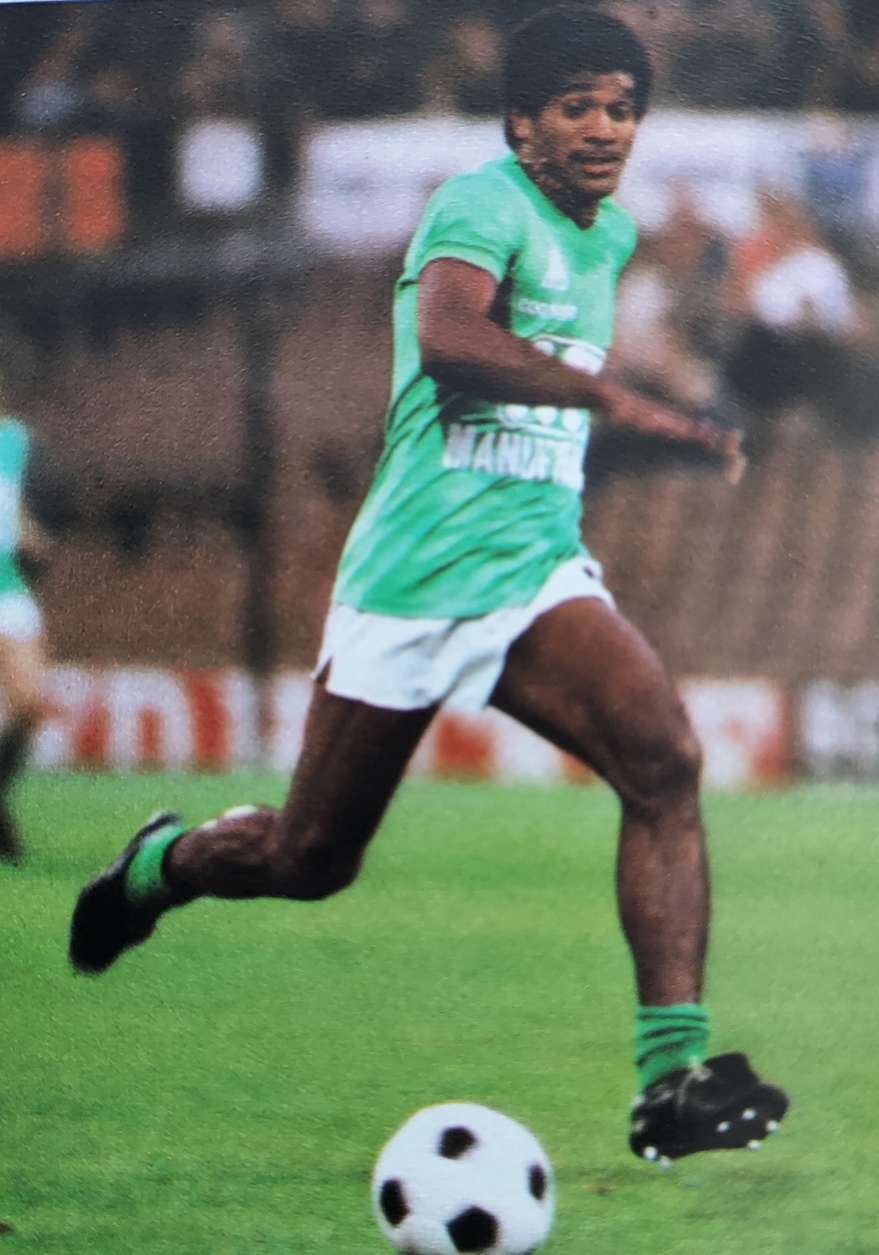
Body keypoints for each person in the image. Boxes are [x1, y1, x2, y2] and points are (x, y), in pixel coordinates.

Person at [69, 6, 788, 1164]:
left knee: (665, 761)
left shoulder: (608, 239)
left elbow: (559, 379)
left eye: (622, 108)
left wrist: (669, 410)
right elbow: (452, 341)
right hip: (415, 576)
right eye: (577, 106)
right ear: (522, 123)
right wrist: (603, 393)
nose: (604, 128)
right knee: (310, 859)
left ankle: (672, 1080)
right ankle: (160, 866)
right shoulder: (478, 203)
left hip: (534, 568)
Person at [0, 405, 52, 863]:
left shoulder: (14, 441)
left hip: (8, 588)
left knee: (30, 707)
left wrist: (29, 533)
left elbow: (12, 507)